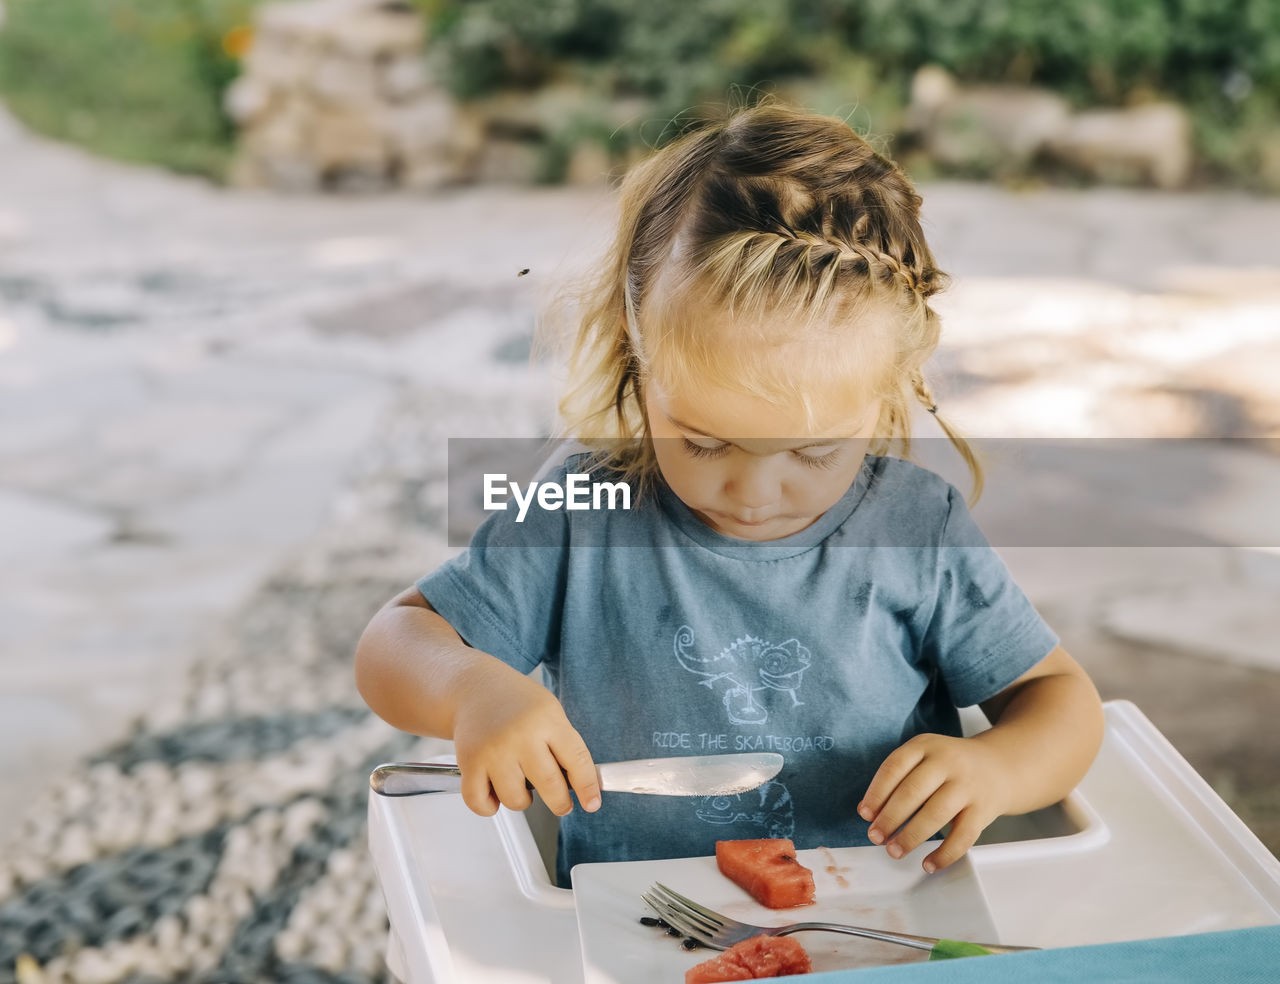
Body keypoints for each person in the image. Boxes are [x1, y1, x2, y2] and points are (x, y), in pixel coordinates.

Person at [355, 101, 1104, 889]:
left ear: (888, 391)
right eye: (704, 441)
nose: (753, 491)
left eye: (814, 450)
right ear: (640, 363)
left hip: (877, 924)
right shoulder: (584, 508)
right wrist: (472, 689)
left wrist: (999, 768)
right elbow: (394, 642)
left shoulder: (916, 525)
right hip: (636, 932)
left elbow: (1059, 699)